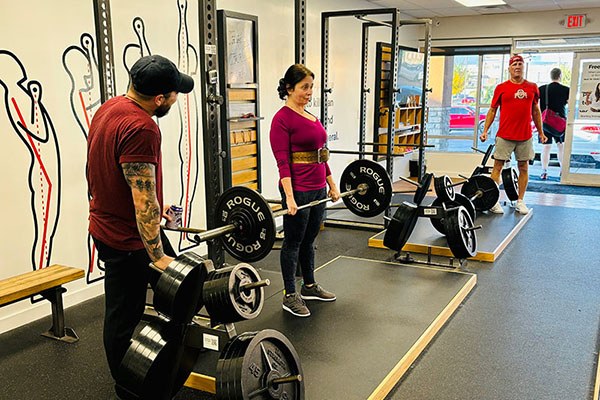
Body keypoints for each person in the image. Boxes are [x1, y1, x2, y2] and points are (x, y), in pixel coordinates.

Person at [86, 55, 194, 384]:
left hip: (109, 226)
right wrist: (157, 255)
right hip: (128, 239)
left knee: (179, 291)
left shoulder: (110, 108)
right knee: (124, 315)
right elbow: (142, 196)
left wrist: (153, 209)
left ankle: (166, 356)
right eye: (174, 94)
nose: (177, 98)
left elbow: (110, 171)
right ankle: (128, 384)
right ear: (159, 99)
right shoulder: (143, 127)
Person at [270, 64, 340, 317]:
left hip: (318, 188)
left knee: (309, 240)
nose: (310, 92)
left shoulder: (311, 115)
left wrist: (332, 185)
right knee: (293, 242)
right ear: (289, 88)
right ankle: (290, 294)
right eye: (304, 87)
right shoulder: (282, 119)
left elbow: (321, 155)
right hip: (298, 191)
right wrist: (289, 197)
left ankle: (309, 285)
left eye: (311, 87)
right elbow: (282, 162)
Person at [480, 54, 547, 215]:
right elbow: (492, 110)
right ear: (509, 68)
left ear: (523, 67)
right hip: (505, 135)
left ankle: (520, 201)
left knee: (523, 167)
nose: (517, 66)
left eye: (520, 64)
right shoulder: (501, 88)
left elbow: (536, 111)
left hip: (525, 136)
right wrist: (485, 130)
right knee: (497, 167)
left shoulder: (532, 87)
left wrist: (541, 133)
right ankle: (493, 201)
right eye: (514, 64)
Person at [538, 68, 569, 179]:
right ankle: (562, 171)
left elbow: (535, 105)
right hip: (560, 124)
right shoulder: (566, 89)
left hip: (545, 123)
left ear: (550, 76)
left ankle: (544, 171)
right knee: (561, 146)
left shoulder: (542, 89)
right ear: (560, 76)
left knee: (546, 147)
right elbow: (569, 105)